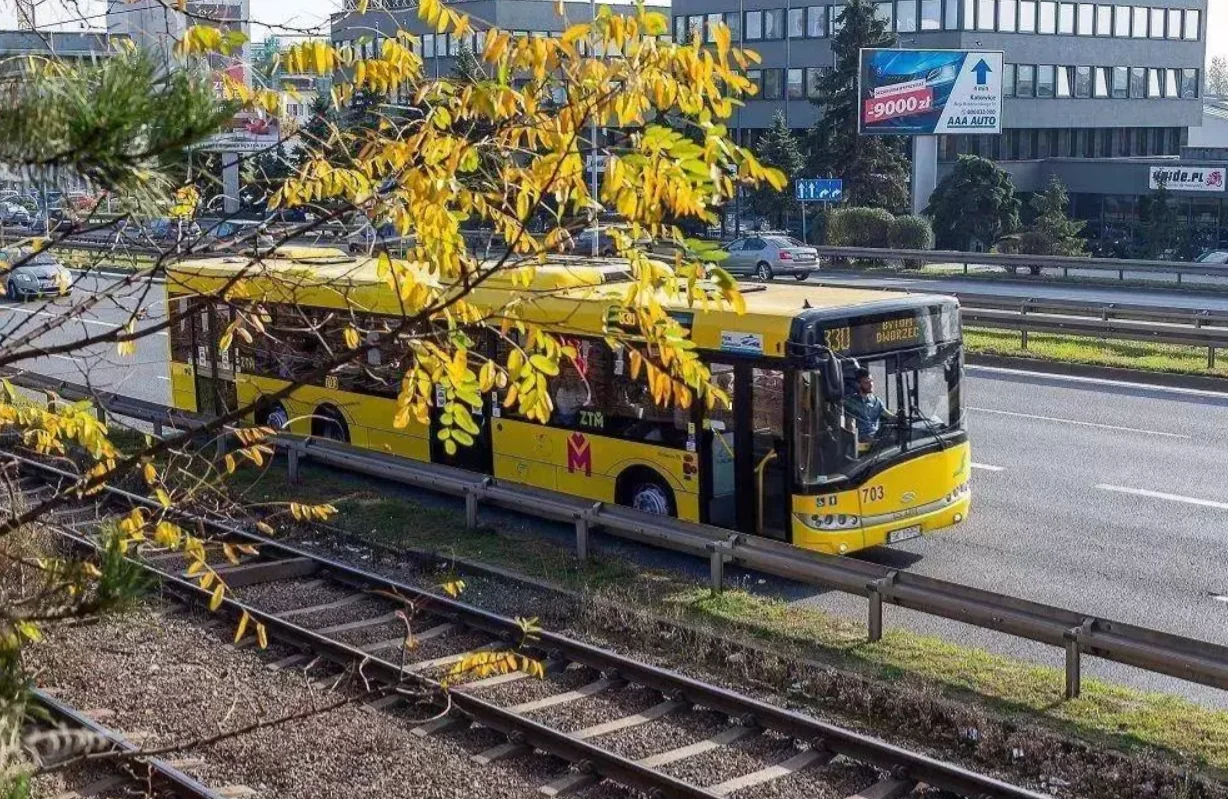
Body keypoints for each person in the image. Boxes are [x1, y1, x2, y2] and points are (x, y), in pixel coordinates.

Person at [844, 368, 891, 441]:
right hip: (861, 441)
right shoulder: (851, 402)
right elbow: (850, 425)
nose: (871, 384)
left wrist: (900, 418)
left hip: (877, 439)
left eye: (871, 381)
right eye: (866, 383)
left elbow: (888, 415)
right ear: (858, 385)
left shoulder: (876, 401)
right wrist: (855, 440)